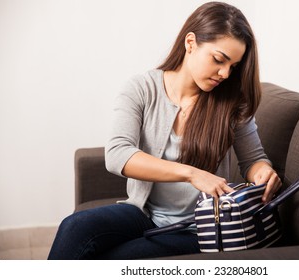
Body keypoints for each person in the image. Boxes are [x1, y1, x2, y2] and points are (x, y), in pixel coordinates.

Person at [48, 1, 281, 260]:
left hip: (198, 230)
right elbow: (117, 155)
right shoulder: (141, 89)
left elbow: (254, 160)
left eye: (233, 66)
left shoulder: (232, 103)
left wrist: (264, 173)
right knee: (75, 226)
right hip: (143, 214)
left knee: (114, 259)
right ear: (190, 43)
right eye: (219, 59)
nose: (225, 73)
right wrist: (191, 174)